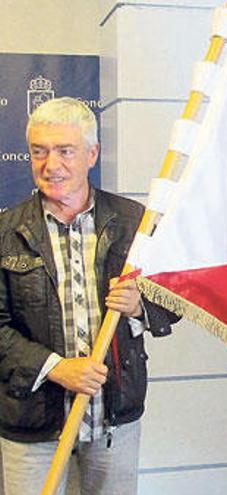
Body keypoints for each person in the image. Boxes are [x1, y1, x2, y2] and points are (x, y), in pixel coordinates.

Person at [0, 97, 177, 494]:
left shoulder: (135, 223)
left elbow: (176, 299)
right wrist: (54, 367)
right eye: (39, 152)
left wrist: (140, 307)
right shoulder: (4, 232)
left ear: (91, 154)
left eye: (65, 151)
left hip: (112, 418)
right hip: (31, 422)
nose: (52, 165)